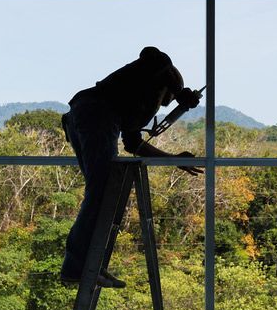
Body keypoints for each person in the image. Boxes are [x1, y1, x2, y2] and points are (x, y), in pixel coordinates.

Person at [60, 46, 203, 288]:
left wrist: (173, 159)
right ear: (165, 85)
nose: (165, 105)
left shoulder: (140, 106)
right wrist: (181, 92)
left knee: (99, 194)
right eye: (168, 97)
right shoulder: (148, 76)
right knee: (100, 194)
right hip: (95, 117)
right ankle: (77, 268)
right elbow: (152, 53)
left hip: (81, 116)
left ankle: (88, 266)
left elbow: (134, 144)